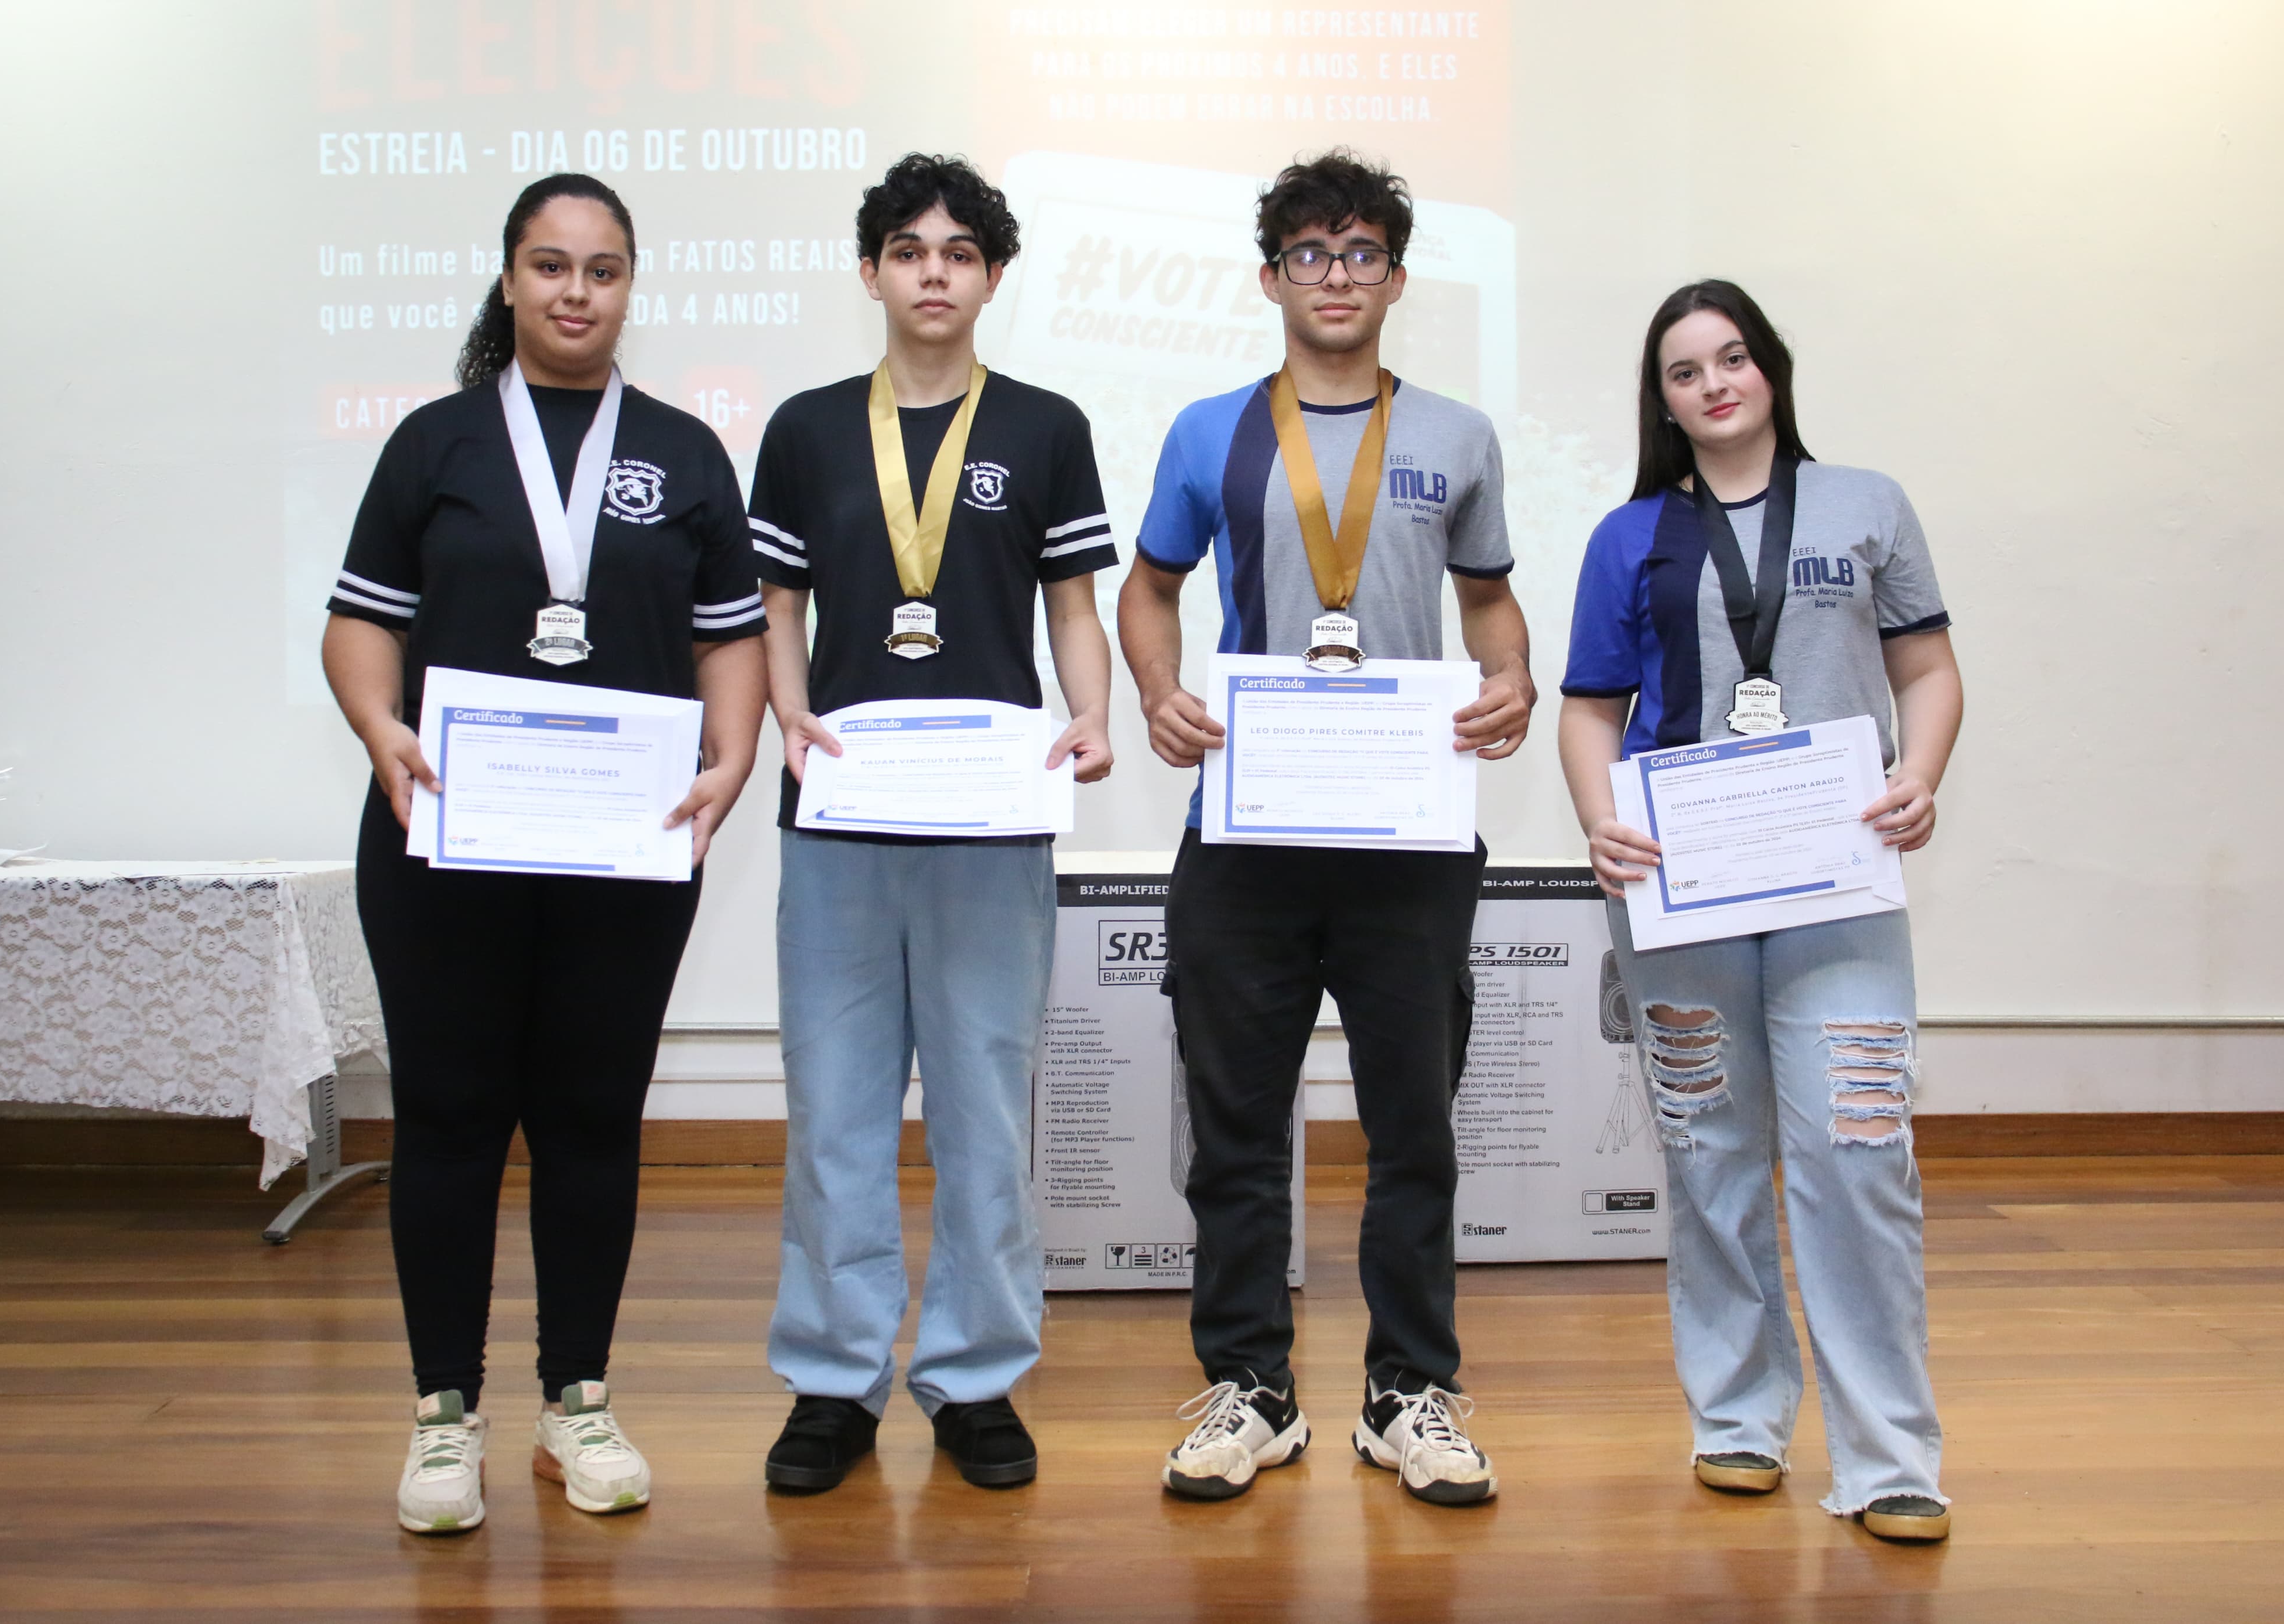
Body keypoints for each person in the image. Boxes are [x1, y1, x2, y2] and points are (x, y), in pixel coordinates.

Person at [323, 173, 768, 1536]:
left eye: (603, 269)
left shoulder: (688, 452)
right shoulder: (434, 442)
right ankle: (443, 1415)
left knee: (589, 1124)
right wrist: (380, 730)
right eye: (551, 265)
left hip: (623, 853)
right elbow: (358, 622)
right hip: (442, 838)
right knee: (450, 1122)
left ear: (632, 287)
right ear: (509, 279)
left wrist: (733, 758)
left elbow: (727, 638)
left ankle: (577, 1398)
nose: (577, 291)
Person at [1118, 149, 1533, 1506]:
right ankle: (1253, 1391)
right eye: (1310, 252)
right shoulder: (1207, 431)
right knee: (1236, 1132)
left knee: (1413, 1131)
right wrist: (1159, 691)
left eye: (1361, 253)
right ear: (1270, 278)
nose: (1336, 275)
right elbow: (1149, 588)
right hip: (1244, 839)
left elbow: (1486, 608)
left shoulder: (1459, 436)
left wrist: (1515, 678)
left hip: (1408, 842)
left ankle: (1408, 1395)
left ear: (1398, 279)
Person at [1556, 279, 1965, 1543]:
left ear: (1771, 369)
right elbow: (1588, 708)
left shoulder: (1866, 505)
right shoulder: (1630, 534)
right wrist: (1596, 817)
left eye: (1732, 358)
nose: (1714, 383)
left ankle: (1890, 1455)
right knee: (1710, 1156)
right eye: (1685, 371)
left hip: (1838, 882)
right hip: (1682, 889)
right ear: (1663, 401)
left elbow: (1928, 669)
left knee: (1856, 1153)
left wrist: (1918, 775)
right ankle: (1736, 1420)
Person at [750, 153, 1117, 1494]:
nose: (933, 273)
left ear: (992, 278)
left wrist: (1091, 717)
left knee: (982, 1114)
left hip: (990, 820)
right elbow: (774, 614)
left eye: (960, 253)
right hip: (837, 811)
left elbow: (1073, 607)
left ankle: (973, 1377)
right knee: (836, 1112)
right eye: (908, 250)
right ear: (871, 271)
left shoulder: (1043, 424)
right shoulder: (801, 428)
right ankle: (834, 1383)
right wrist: (788, 721)